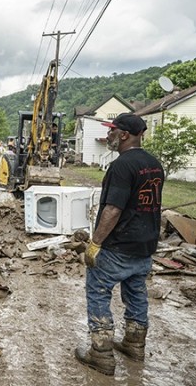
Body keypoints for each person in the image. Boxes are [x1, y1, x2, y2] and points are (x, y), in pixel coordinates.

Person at [75, 113, 164, 376]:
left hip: (118, 246)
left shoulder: (122, 166)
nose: (109, 135)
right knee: (136, 293)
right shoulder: (154, 164)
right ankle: (134, 345)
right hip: (145, 245)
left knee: (99, 292)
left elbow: (113, 210)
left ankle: (100, 354)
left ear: (125, 135)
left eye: (112, 130)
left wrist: (95, 243)